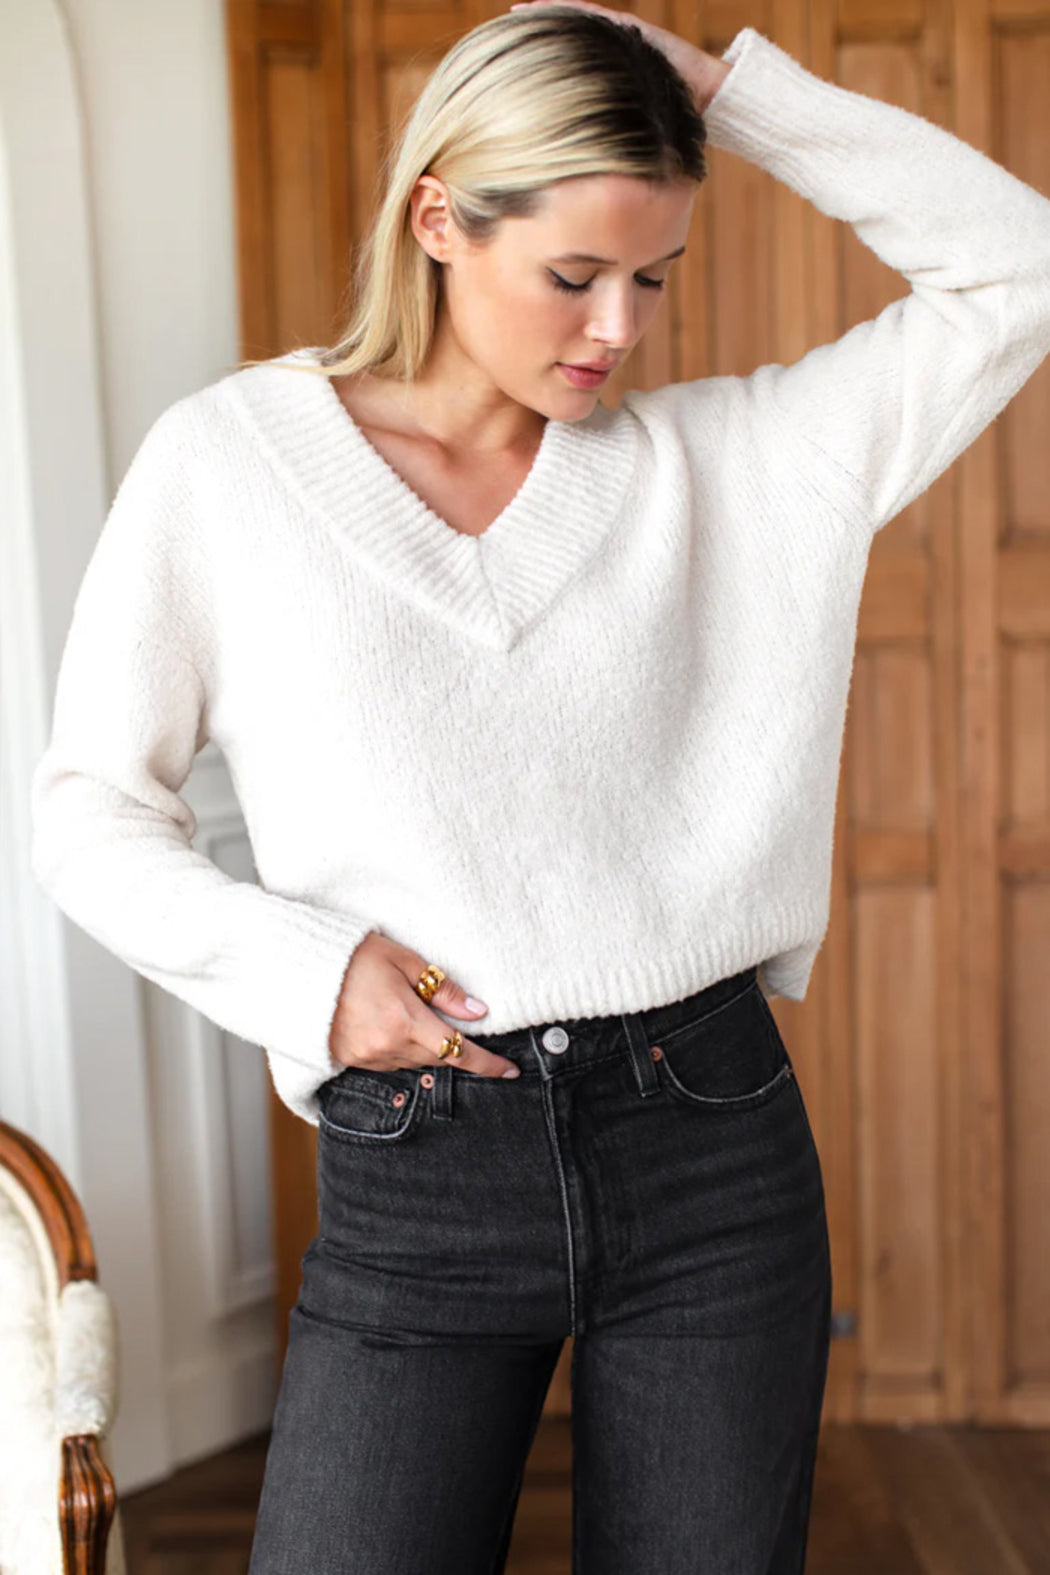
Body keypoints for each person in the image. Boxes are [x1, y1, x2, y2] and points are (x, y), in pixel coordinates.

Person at [28, 0, 1050, 1569]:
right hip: (419, 1160)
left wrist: (724, 93)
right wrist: (310, 975)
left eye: (654, 275)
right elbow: (90, 805)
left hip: (708, 1146)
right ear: (439, 218)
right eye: (573, 276)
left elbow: (1017, 266)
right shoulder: (227, 467)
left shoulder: (738, 466)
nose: (618, 327)